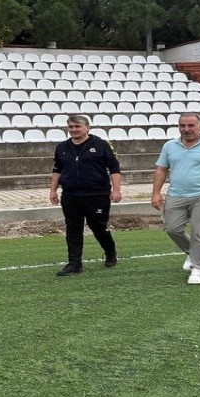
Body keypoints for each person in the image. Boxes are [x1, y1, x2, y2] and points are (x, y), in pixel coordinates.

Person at [151, 112, 200, 285]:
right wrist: (156, 193)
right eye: (182, 126)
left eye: (190, 125)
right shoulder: (169, 146)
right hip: (175, 194)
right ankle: (192, 253)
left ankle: (198, 268)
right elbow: (161, 169)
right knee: (172, 229)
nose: (186, 129)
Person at [50, 114, 122, 276]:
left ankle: (110, 252)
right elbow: (57, 170)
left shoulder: (101, 145)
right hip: (70, 195)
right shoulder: (62, 147)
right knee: (73, 228)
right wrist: (53, 190)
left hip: (97, 195)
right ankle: (74, 263)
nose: (74, 130)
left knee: (98, 227)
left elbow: (114, 168)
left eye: (77, 126)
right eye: (71, 127)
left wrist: (116, 190)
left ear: (87, 128)